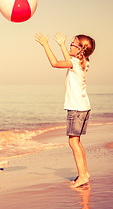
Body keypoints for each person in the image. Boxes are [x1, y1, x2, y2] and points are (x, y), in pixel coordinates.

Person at [35, 32, 95, 188]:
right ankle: (85, 173)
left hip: (76, 108)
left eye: (72, 43)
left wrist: (45, 44)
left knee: (73, 143)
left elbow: (55, 63)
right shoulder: (85, 62)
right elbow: (70, 60)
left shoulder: (75, 64)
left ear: (80, 49)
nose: (70, 44)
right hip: (84, 107)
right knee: (77, 142)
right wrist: (62, 45)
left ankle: (82, 176)